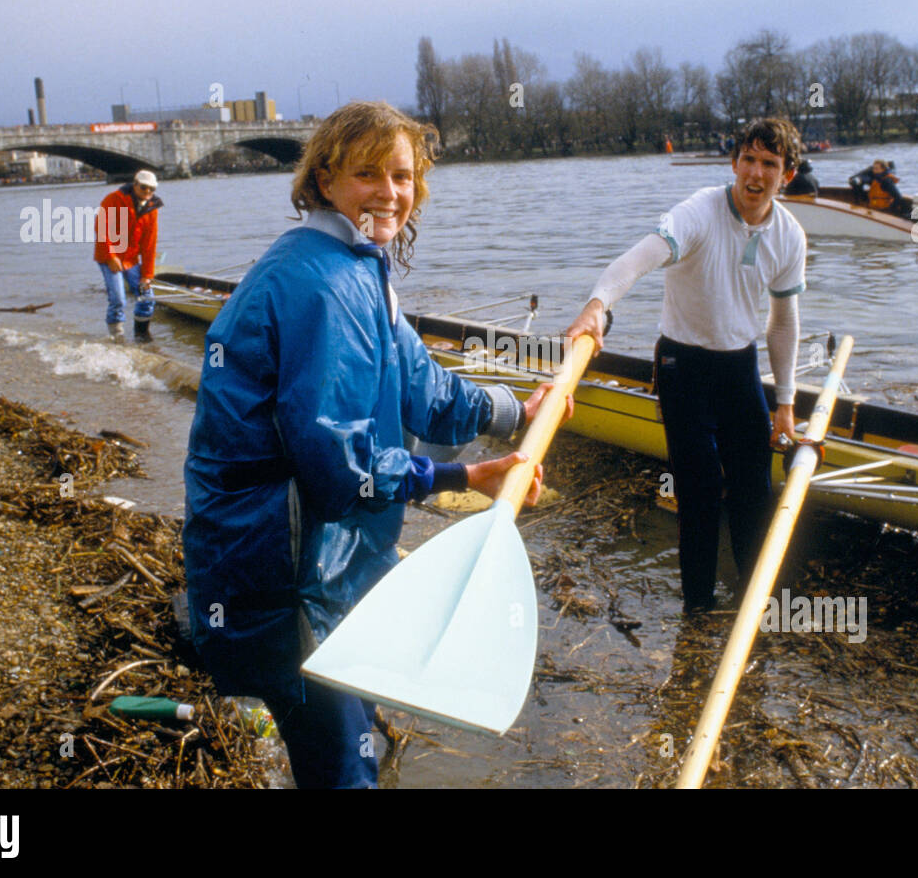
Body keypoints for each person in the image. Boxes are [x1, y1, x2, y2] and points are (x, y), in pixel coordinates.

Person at [182, 100, 564, 788]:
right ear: (325, 180)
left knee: (351, 736)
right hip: (280, 575)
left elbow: (422, 386)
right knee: (341, 766)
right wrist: (460, 477)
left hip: (327, 564)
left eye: (403, 175)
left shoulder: (360, 265)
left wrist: (517, 409)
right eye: (368, 174)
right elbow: (338, 468)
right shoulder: (319, 284)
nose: (390, 193)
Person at [565, 117, 807, 614]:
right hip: (683, 366)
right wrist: (598, 304)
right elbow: (638, 259)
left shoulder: (790, 235)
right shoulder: (698, 212)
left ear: (788, 174)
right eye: (749, 160)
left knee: (753, 493)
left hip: (741, 367)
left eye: (770, 164)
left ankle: (750, 608)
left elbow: (783, 323)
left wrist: (784, 403)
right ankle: (696, 611)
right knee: (697, 492)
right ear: (734, 162)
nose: (755, 174)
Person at [94, 169, 161, 342]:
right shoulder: (114, 199)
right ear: (135, 184)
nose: (147, 192)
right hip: (108, 257)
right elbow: (101, 228)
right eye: (144, 187)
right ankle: (117, 336)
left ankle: (141, 334)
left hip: (131, 260)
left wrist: (147, 276)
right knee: (118, 299)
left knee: (147, 296)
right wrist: (111, 256)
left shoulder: (152, 209)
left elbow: (149, 245)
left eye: (151, 189)